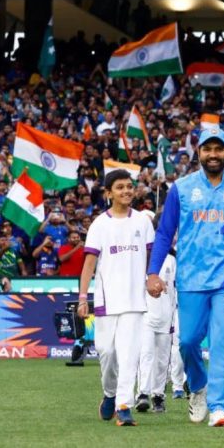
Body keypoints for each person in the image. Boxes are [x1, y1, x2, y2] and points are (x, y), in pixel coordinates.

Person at [146, 127, 224, 428]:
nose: (213, 154)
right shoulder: (181, 188)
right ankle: (198, 385)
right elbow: (164, 233)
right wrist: (152, 272)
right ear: (199, 153)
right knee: (188, 341)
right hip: (191, 278)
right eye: (207, 149)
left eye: (218, 149)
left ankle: (218, 406)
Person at [77, 169, 155, 427]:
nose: (126, 191)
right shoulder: (100, 224)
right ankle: (110, 394)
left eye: (129, 186)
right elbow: (89, 264)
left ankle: (124, 406)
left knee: (129, 355)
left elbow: (151, 257)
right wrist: (82, 297)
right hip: (106, 301)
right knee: (107, 353)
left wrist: (153, 278)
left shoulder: (143, 221)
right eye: (120, 187)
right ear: (109, 193)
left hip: (134, 301)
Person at [136, 243, 176, 414]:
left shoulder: (171, 260)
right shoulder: (142, 259)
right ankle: (142, 394)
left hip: (166, 317)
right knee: (146, 354)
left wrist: (172, 316)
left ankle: (158, 396)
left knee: (162, 360)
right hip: (146, 316)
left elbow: (174, 289)